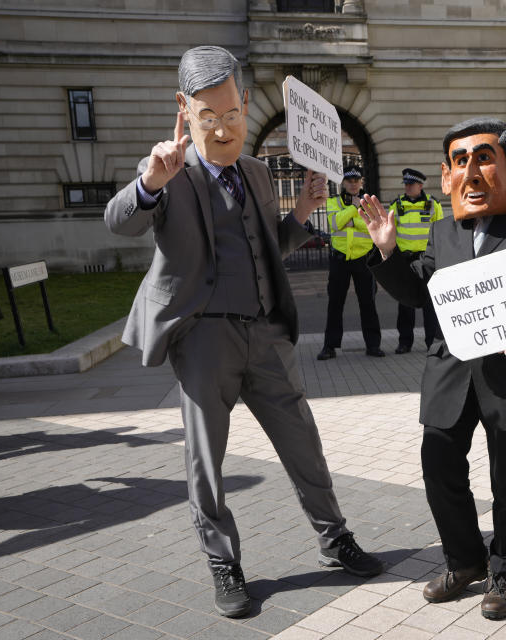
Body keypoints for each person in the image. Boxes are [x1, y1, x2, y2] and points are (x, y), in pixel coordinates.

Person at [105, 45, 383, 619]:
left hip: (265, 335)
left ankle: (335, 538)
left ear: (246, 103)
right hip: (203, 339)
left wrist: (303, 212)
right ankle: (223, 564)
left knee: (303, 439)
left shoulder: (257, 173)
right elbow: (119, 221)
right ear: (185, 109)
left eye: (232, 115)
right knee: (207, 459)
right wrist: (150, 185)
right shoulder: (166, 170)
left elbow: (267, 249)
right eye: (210, 118)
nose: (225, 129)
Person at [359, 117, 506, 620]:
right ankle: (464, 560)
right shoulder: (442, 231)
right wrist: (387, 248)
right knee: (439, 467)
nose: (471, 173)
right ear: (447, 175)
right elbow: (417, 291)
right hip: (450, 372)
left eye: (484, 159)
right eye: (459, 162)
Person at [317, 166, 384, 360]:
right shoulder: (333, 201)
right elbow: (335, 223)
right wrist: (355, 208)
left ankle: (373, 345)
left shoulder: (370, 202)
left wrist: (354, 222)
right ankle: (329, 347)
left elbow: (374, 225)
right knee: (335, 303)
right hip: (340, 258)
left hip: (364, 258)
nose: (353, 184)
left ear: (361, 182)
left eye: (356, 180)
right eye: (349, 181)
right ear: (343, 183)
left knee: (368, 303)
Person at [389, 167, 443, 353]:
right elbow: (391, 232)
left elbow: (441, 233)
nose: (408, 187)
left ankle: (432, 342)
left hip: (427, 259)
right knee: (405, 303)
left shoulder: (433, 204)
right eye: (406, 184)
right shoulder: (396, 205)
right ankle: (404, 342)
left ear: (420, 185)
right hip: (405, 260)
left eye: (411, 184)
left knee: (429, 303)